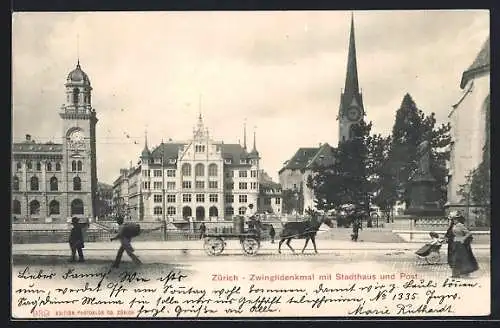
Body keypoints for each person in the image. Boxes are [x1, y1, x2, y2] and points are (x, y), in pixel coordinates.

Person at [447, 212, 479, 278]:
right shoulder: (453, 226)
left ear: (458, 219)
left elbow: (468, 233)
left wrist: (463, 239)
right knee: (454, 259)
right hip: (455, 244)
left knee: (459, 259)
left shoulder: (460, 225)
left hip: (460, 245)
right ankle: (455, 274)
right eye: (453, 219)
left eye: (455, 219)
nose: (454, 220)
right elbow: (450, 233)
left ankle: (459, 273)